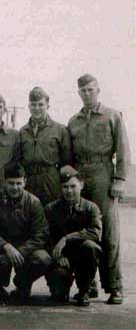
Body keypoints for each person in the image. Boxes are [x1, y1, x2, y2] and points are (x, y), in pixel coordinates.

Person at [67, 73, 131, 304]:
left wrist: (120, 179)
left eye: (90, 90)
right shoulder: (73, 121)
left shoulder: (112, 116)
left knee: (109, 233)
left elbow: (123, 149)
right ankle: (88, 285)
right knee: (83, 229)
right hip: (80, 175)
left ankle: (115, 286)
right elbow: (70, 155)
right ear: (79, 93)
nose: (87, 94)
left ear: (98, 90)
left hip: (103, 172)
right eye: (83, 91)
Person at [0, 163, 52, 303]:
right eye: (11, 183)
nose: (15, 187)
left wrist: (19, 251)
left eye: (19, 183)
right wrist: (6, 247)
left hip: (25, 250)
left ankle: (23, 284)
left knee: (43, 259)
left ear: (25, 182)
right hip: (1, 248)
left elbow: (40, 235)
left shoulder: (34, 202)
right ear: (4, 182)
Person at [45, 165, 102, 306]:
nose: (69, 191)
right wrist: (58, 256)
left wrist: (67, 238)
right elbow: (46, 237)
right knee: (59, 297)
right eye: (65, 187)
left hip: (82, 256)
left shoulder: (91, 208)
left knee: (91, 247)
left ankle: (84, 290)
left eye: (73, 186)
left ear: (81, 185)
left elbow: (95, 232)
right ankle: (61, 289)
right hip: (62, 258)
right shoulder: (51, 209)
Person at [19, 86, 72, 206]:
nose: (37, 108)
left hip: (51, 181)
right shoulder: (22, 131)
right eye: (33, 104)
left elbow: (67, 161)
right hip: (29, 181)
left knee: (52, 216)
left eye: (40, 104)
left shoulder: (60, 130)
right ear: (29, 107)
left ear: (47, 106)